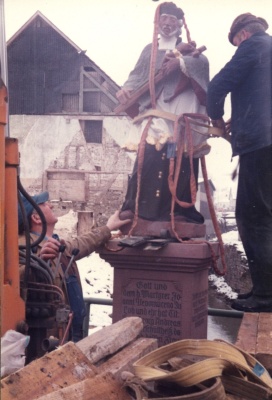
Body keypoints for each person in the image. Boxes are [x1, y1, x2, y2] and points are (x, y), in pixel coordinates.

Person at [117, 2, 211, 225]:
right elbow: (137, 75)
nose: (167, 24)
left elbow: (202, 66)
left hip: (180, 112)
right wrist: (126, 90)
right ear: (157, 23)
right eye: (163, 19)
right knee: (149, 152)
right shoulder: (149, 50)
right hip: (157, 110)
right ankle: (139, 206)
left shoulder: (188, 49)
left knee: (179, 154)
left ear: (179, 24)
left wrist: (180, 63)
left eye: (171, 19)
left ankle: (179, 209)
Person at [207, 13, 272, 312]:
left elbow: (217, 86)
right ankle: (263, 290)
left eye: (235, 43)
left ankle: (265, 296)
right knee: (266, 217)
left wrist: (217, 119)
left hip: (260, 146)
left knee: (252, 218)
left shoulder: (252, 47)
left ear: (242, 35)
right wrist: (245, 117)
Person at [18, 191, 130, 359]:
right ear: (36, 217)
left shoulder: (57, 244)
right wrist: (36, 264)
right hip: (47, 337)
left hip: (70, 328)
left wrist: (108, 228)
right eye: (45, 204)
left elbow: (82, 243)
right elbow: (12, 280)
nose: (51, 205)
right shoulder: (23, 246)